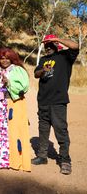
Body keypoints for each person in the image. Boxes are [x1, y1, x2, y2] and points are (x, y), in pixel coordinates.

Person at [32, 35, 79, 175]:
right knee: (43, 129)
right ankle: (42, 156)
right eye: (45, 45)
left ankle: (65, 160)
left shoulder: (65, 56)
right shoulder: (43, 59)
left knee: (61, 130)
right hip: (43, 101)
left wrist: (57, 39)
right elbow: (36, 74)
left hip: (58, 101)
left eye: (49, 44)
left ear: (55, 44)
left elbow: (75, 46)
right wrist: (43, 71)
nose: (47, 47)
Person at [0, 48, 31, 171]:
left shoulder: (17, 70)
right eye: (2, 58)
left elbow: (24, 87)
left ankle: (14, 160)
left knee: (13, 133)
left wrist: (8, 82)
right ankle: (1, 160)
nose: (4, 61)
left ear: (12, 58)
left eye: (7, 58)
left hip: (12, 104)